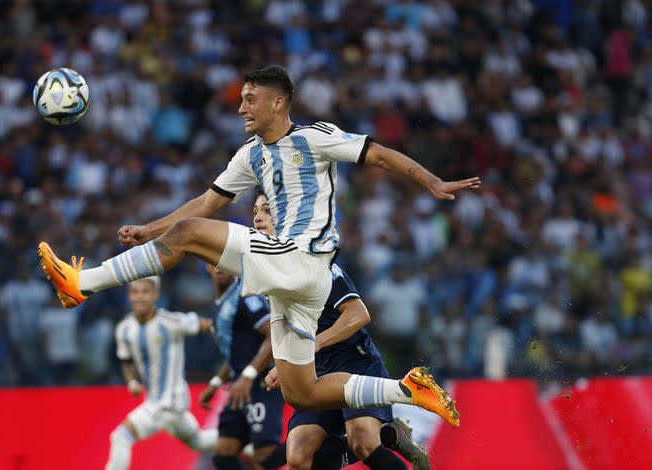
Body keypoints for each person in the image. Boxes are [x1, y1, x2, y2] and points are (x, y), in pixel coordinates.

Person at [40, 66, 477, 431]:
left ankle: (84, 282)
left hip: (301, 259)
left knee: (192, 231)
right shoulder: (250, 155)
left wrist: (431, 181)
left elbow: (379, 155)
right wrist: (151, 228)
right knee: (300, 391)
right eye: (242, 99)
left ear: (278, 102)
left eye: (250, 99)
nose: (241, 107)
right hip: (297, 287)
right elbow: (207, 201)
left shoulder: (315, 137)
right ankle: (408, 389)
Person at [251, 192, 429, 470]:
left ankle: (381, 436)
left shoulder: (315, 263)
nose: (258, 217)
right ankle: (387, 434)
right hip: (317, 373)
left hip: (355, 364)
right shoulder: (266, 273)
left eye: (267, 210)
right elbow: (284, 325)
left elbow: (360, 314)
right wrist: (280, 365)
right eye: (255, 211)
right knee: (298, 457)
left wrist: (315, 343)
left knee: (362, 443)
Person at [105, 277, 217, 470]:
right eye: (135, 292)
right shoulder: (124, 329)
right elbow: (126, 361)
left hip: (168, 402)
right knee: (197, 441)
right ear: (129, 295)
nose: (139, 297)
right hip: (158, 402)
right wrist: (131, 381)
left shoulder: (170, 322)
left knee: (121, 436)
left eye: (145, 292)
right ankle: (245, 439)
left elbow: (206, 324)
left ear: (156, 295)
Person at [198, 262, 287, 470]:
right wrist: (216, 381)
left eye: (224, 259)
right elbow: (236, 351)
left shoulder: (246, 295)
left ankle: (320, 444)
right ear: (207, 266)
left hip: (262, 384)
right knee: (223, 454)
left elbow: (273, 337)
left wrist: (248, 375)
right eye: (213, 260)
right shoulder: (218, 304)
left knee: (266, 457)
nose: (220, 265)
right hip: (240, 387)